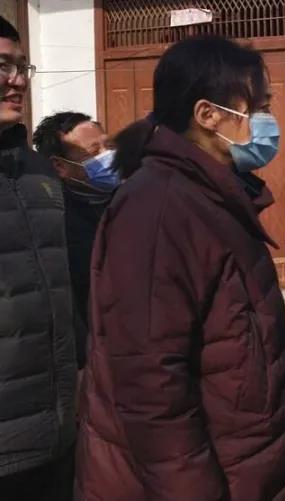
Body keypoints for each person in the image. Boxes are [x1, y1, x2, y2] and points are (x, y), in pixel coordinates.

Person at [76, 35, 285, 501]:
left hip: (244, 466)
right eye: (258, 108)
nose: (268, 122)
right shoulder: (158, 208)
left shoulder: (212, 195)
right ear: (207, 114)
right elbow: (150, 386)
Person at [0, 16, 78, 501]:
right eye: (1, 66)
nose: (18, 80)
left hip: (56, 430)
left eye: (22, 66)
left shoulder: (37, 172)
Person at [33, 112, 116, 370]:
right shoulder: (54, 221)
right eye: (94, 152)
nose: (108, 156)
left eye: (108, 145)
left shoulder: (135, 198)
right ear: (60, 166)